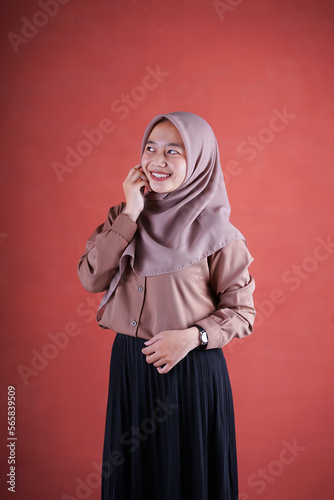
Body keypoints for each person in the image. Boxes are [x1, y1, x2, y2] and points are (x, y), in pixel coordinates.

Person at [77, 111, 256, 500]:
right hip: (130, 369)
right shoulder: (123, 217)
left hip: (190, 371)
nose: (157, 160)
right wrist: (130, 214)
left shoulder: (220, 234)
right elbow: (91, 277)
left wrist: (193, 337)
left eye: (174, 151)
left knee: (187, 481)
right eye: (150, 148)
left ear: (200, 161)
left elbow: (243, 313)